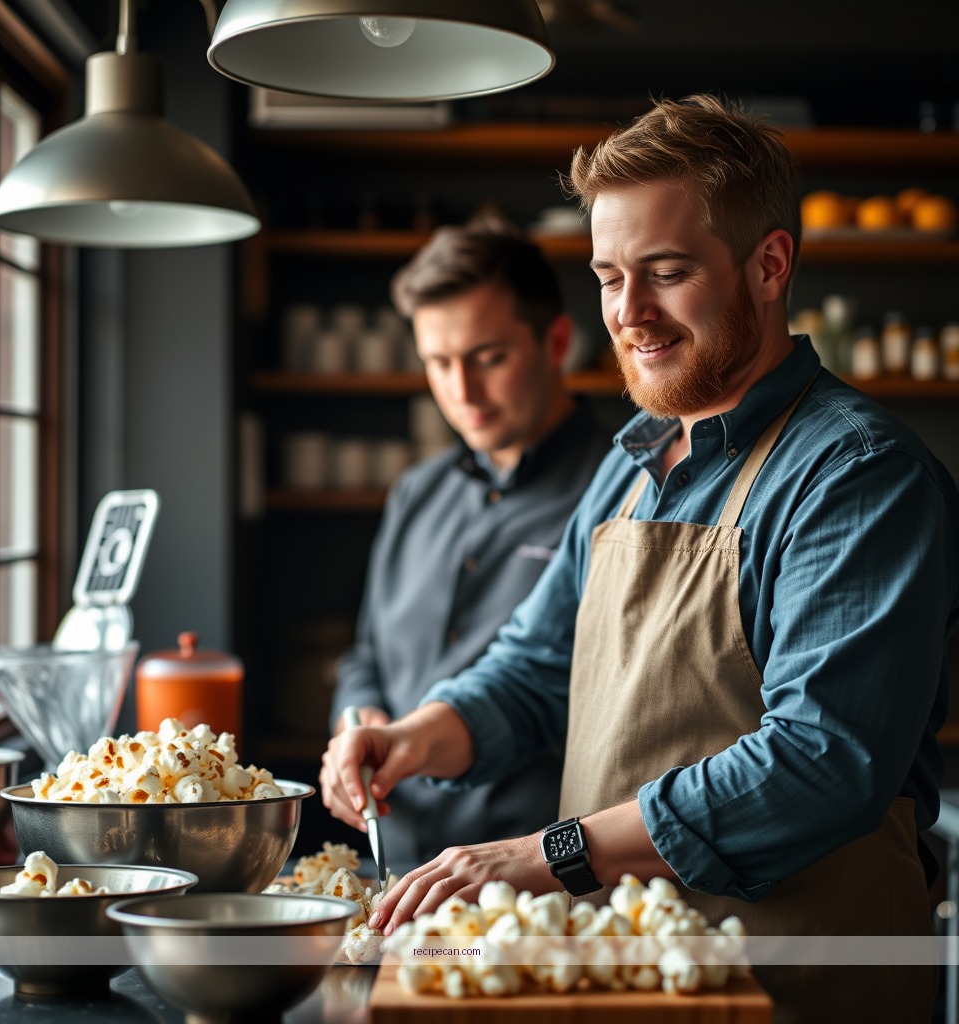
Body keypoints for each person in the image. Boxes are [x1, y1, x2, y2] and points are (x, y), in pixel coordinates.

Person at [320, 95, 959, 1024]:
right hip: (625, 976)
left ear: (770, 265)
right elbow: (536, 668)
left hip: (802, 983)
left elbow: (821, 760)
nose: (629, 314)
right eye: (609, 276)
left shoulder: (858, 474)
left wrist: (543, 855)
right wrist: (420, 735)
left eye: (665, 272)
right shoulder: (634, 461)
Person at [328, 220, 614, 870]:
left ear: (558, 343)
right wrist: (357, 720)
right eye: (438, 363)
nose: (462, 391)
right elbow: (366, 654)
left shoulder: (623, 496)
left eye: (489, 358)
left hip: (538, 882)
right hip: (393, 866)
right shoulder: (415, 493)